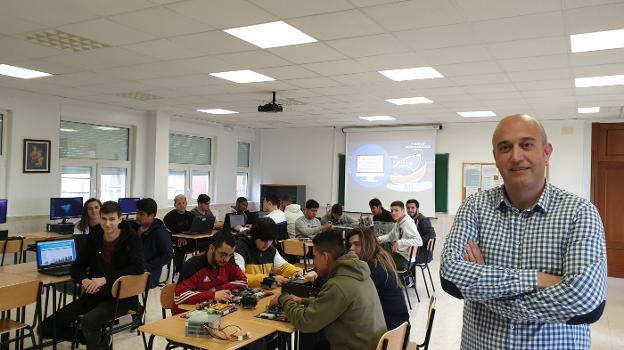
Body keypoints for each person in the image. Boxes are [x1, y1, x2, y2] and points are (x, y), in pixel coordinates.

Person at [441, 114, 607, 349]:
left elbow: (586, 304)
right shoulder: (474, 207)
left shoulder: (580, 213)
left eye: (526, 145)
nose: (516, 156)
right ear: (495, 157)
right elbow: (450, 275)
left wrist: (482, 291)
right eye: (505, 147)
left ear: (546, 153)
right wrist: (537, 279)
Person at [41, 201, 145, 350]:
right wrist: (84, 280)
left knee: (88, 322)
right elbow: (77, 265)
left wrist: (104, 280)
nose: (107, 224)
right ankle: (97, 339)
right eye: (104, 219)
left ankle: (95, 341)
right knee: (45, 328)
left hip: (119, 297)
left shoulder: (132, 238)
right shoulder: (95, 235)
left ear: (120, 219)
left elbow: (138, 267)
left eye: (112, 219)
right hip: (93, 294)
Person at [270, 230, 387, 350]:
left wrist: (283, 298)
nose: (314, 262)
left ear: (325, 257)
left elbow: (305, 322)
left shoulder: (338, 284)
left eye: (315, 256)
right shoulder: (359, 273)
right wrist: (303, 300)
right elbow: (337, 302)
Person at [346, 227, 409, 331]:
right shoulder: (380, 258)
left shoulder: (372, 268)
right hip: (399, 328)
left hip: (389, 333)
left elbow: (352, 296)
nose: (351, 249)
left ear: (368, 245)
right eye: (350, 245)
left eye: (357, 244)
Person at [173, 231, 248, 315]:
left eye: (230, 255)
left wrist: (217, 289)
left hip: (214, 312)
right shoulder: (193, 265)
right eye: (223, 254)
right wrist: (212, 295)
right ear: (212, 248)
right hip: (187, 315)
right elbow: (179, 297)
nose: (226, 259)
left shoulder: (229, 261)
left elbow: (243, 282)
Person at [234, 217, 302, 287]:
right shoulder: (240, 247)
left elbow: (283, 267)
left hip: (262, 291)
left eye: (270, 240)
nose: (267, 244)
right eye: (263, 240)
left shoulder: (270, 248)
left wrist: (295, 272)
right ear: (254, 236)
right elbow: (239, 277)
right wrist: (268, 280)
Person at [133, 198, 173, 288]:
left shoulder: (160, 233)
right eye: (137, 212)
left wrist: (147, 266)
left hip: (149, 273)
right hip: (133, 268)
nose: (137, 216)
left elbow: (168, 254)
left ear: (152, 215)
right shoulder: (134, 228)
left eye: (141, 214)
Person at [377, 201, 422, 271]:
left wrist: (399, 242)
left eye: (396, 210)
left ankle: (392, 281)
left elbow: (419, 241)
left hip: (404, 261)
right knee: (380, 255)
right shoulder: (399, 222)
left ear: (403, 211)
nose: (393, 213)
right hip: (399, 255)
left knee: (378, 262)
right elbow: (390, 236)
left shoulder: (407, 223)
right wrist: (378, 239)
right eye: (392, 211)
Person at [163, 194, 194, 274]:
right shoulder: (169, 216)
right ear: (175, 205)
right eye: (179, 203)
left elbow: (194, 229)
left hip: (188, 239)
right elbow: (167, 232)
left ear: (186, 204)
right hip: (174, 240)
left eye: (183, 203)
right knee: (180, 246)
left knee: (204, 243)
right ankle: (180, 270)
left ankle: (198, 268)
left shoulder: (190, 216)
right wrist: (178, 238)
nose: (182, 205)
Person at [406, 199, 436, 263]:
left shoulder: (423, 220)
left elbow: (432, 234)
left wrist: (418, 242)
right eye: (408, 208)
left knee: (398, 257)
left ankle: (406, 272)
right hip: (414, 250)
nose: (410, 210)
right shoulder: (409, 220)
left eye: (412, 208)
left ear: (417, 208)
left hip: (422, 254)